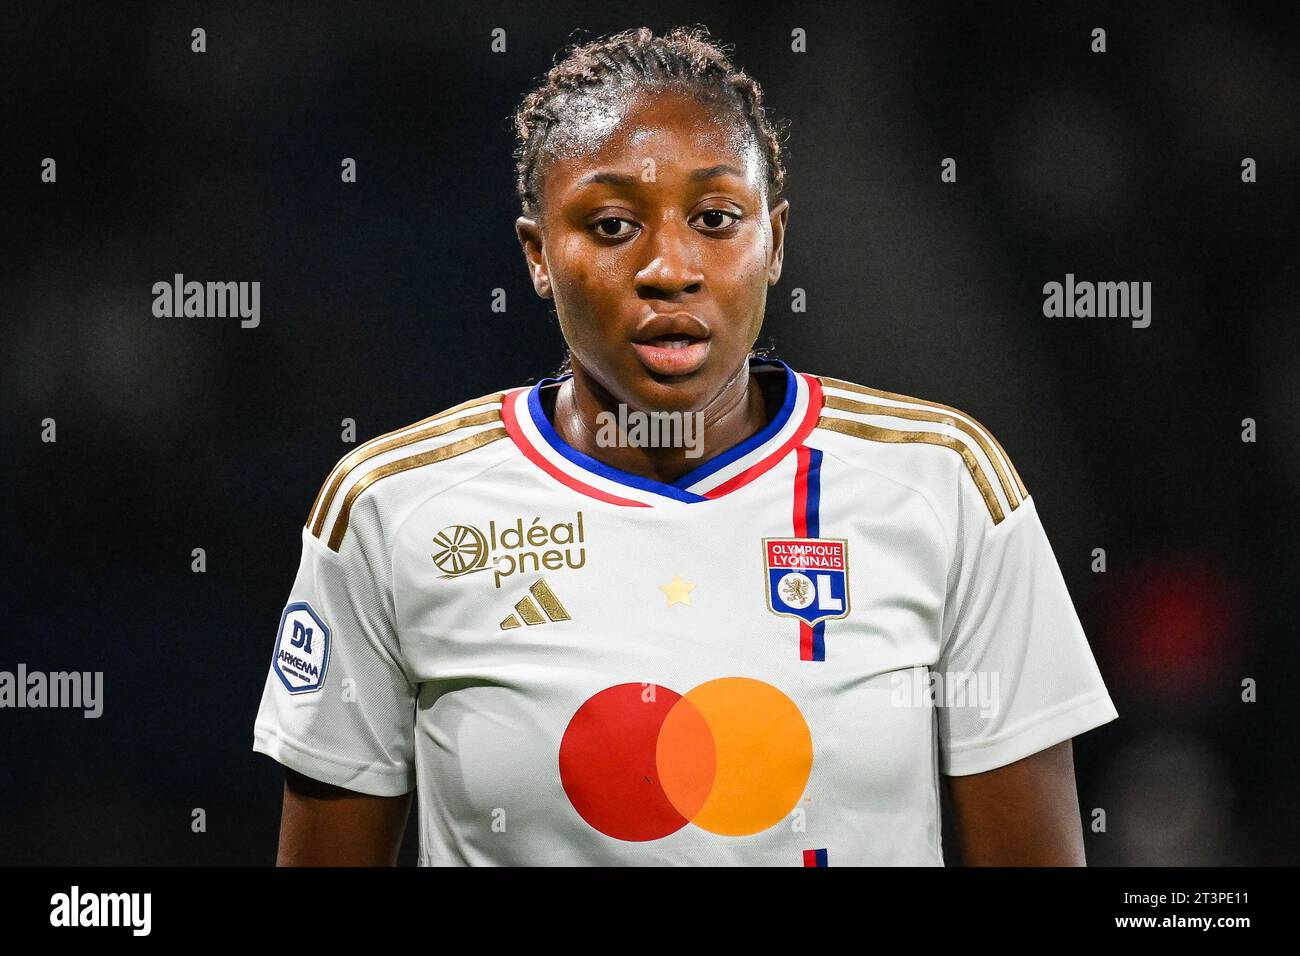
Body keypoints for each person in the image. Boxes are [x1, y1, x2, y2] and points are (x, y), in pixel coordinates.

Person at [252, 25, 1118, 865]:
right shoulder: (393, 511)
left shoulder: (945, 485)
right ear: (538, 256)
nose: (670, 268)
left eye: (715, 217)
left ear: (775, 241)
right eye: (611, 226)